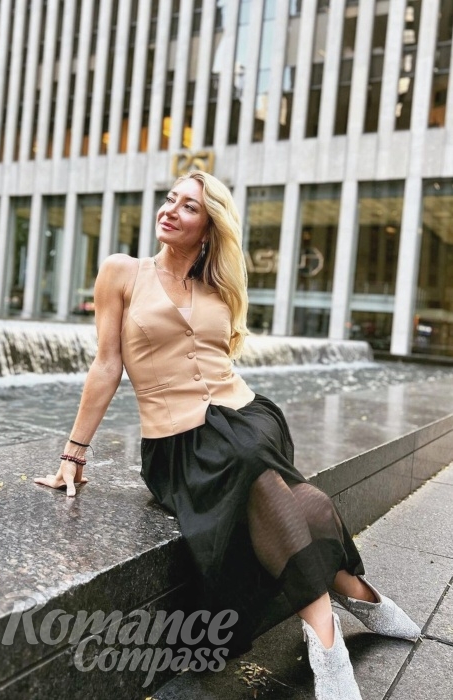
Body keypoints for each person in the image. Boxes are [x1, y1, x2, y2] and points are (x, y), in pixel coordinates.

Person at [35, 171, 421, 700]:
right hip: (179, 442)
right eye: (170, 199)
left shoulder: (217, 286)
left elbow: (221, 359)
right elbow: (106, 365)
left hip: (246, 416)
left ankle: (326, 639)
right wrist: (74, 453)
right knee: (297, 498)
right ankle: (354, 594)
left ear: (209, 226)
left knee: (254, 457)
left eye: (188, 206)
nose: (170, 210)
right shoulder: (122, 272)